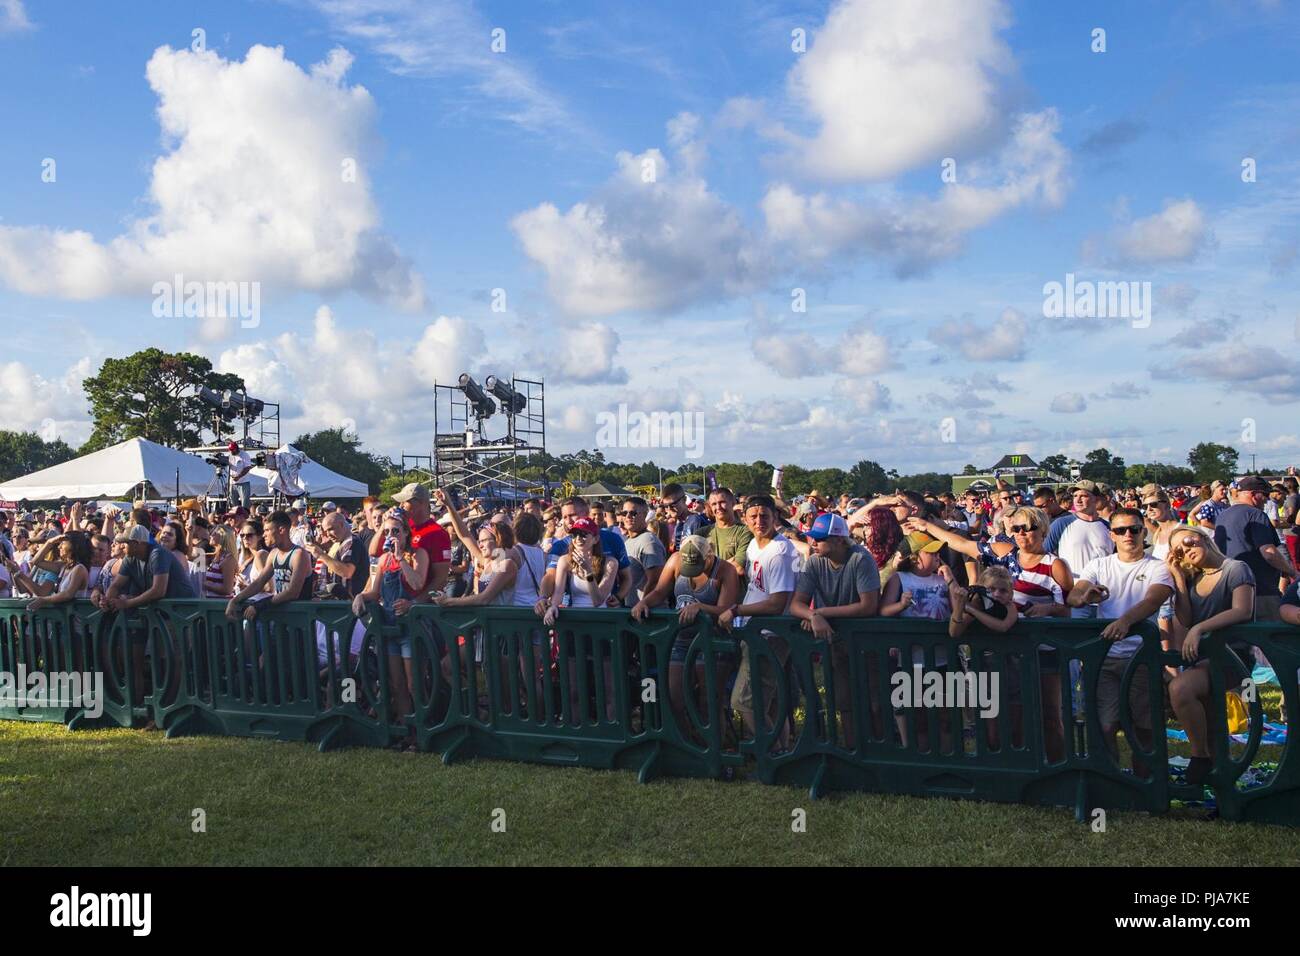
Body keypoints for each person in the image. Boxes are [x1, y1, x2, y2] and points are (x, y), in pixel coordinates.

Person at [906, 506, 1071, 760]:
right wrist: (928, 527)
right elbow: (962, 543)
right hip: (1006, 653)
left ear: (1044, 530)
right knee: (1005, 717)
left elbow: (1067, 610)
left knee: (1049, 716)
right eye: (1016, 528)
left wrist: (1048, 608)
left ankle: (1059, 770)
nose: (1022, 534)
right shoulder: (1005, 555)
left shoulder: (1055, 565)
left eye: (1029, 528)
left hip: (1044, 651)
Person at [1067, 508, 1174, 777]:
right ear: (1110, 534)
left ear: (1144, 532)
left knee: (1144, 728)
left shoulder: (1157, 566)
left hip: (1141, 658)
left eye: (1134, 529)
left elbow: (1154, 600)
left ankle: (1146, 786)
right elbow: (1074, 595)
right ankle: (1113, 783)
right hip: (1105, 659)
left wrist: (1125, 621)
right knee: (1104, 726)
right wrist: (1085, 596)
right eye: (1120, 530)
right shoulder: (1098, 565)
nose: (1128, 535)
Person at [1165, 526, 1256, 785]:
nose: (1187, 550)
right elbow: (1185, 618)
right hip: (1201, 658)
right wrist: (1178, 578)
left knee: (1180, 688)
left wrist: (1200, 628)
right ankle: (1220, 786)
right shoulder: (1193, 577)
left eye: (1190, 541)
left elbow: (1242, 610)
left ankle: (1199, 756)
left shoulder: (1236, 569)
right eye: (1179, 550)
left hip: (1231, 655)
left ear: (1204, 537)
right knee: (1213, 726)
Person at [631, 535, 741, 742]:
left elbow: (727, 609)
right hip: (681, 639)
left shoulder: (725, 570)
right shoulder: (674, 561)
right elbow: (660, 591)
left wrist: (700, 607)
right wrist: (644, 602)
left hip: (713, 641)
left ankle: (713, 746)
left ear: (709, 556)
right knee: (674, 697)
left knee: (709, 699)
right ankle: (686, 744)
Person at [789, 512, 881, 748]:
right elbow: (796, 604)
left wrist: (821, 614)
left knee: (875, 701)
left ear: (840, 540)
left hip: (866, 642)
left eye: (819, 539)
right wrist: (812, 614)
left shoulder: (861, 559)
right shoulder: (814, 561)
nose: (813, 543)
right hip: (837, 642)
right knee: (844, 700)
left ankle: (879, 749)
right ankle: (852, 748)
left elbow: (869, 606)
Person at [718, 495, 799, 748]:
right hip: (756, 631)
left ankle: (772, 753)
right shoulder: (754, 545)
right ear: (745, 518)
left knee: (743, 701)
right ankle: (783, 752)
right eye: (753, 516)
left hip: (770, 634)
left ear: (775, 517)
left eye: (764, 515)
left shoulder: (780, 551)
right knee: (770, 703)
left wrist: (737, 609)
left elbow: (777, 603)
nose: (759, 521)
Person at [947, 565, 1020, 749]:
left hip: (1011, 671)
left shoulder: (1010, 607)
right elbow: (954, 631)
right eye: (991, 589)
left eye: (1003, 590)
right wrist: (961, 606)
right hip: (984, 674)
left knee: (1015, 727)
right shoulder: (978, 604)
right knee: (990, 731)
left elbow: (1003, 626)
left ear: (1011, 593)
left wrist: (973, 611)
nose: (997, 594)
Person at [1213, 475, 1296, 621]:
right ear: (1252, 494)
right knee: (1272, 637)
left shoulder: (1223, 516)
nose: (1267, 499)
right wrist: (1292, 572)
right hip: (1261, 591)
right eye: (1264, 494)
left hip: (1230, 591)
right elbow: (1269, 553)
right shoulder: (1256, 515)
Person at [618, 496, 667, 605]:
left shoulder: (648, 541)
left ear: (645, 515)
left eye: (633, 513)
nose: (628, 516)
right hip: (633, 611)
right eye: (624, 513)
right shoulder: (628, 541)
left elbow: (656, 582)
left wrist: (642, 605)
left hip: (648, 614)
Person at [705, 487, 753, 578]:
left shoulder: (745, 531)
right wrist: (728, 562)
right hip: (707, 589)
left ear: (733, 503)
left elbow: (738, 568)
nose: (718, 507)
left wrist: (708, 565)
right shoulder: (702, 532)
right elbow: (693, 566)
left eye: (722, 502)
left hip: (734, 589)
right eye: (714, 504)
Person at [658, 482, 712, 552]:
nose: (669, 508)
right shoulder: (677, 523)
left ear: (684, 499)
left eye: (673, 504)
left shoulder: (695, 520)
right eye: (665, 506)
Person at [202, 525, 238, 599]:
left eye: (214, 533)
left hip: (221, 606)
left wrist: (206, 585)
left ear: (223, 537)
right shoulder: (216, 557)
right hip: (211, 603)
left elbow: (227, 589)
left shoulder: (228, 560)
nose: (211, 535)